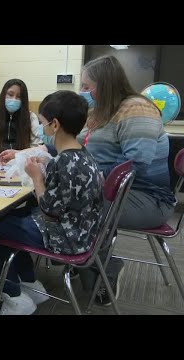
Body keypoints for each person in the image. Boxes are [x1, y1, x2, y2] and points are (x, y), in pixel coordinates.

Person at [0, 90, 103, 315]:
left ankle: (15, 297)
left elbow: (47, 208)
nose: (41, 128)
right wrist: (44, 170)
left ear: (55, 125)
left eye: (43, 123)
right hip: (82, 230)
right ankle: (31, 284)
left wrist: (37, 176)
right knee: (8, 218)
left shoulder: (65, 162)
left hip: (65, 237)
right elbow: (64, 194)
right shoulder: (82, 154)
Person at [74, 55, 177, 305]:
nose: (83, 92)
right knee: (68, 201)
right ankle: (85, 260)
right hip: (114, 192)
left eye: (87, 87)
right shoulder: (99, 113)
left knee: (79, 209)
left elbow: (135, 165)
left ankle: (105, 268)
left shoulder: (136, 108)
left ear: (106, 84)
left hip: (147, 197)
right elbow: (75, 144)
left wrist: (85, 171)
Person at [0, 78, 41, 166]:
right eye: (10, 94)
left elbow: (37, 148)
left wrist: (19, 156)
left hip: (23, 167)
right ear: (3, 95)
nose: (14, 99)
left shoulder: (31, 118)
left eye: (19, 97)